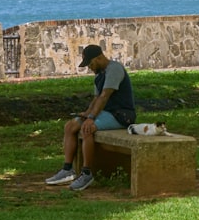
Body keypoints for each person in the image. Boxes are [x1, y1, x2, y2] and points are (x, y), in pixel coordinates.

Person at [45, 44, 136, 191]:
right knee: (70, 126)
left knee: (87, 128)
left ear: (99, 58)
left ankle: (87, 173)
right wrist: (87, 113)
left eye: (91, 63)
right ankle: (67, 169)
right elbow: (96, 98)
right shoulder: (99, 75)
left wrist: (91, 118)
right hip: (105, 113)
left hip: (121, 115)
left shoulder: (114, 69)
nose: (90, 67)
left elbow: (105, 96)